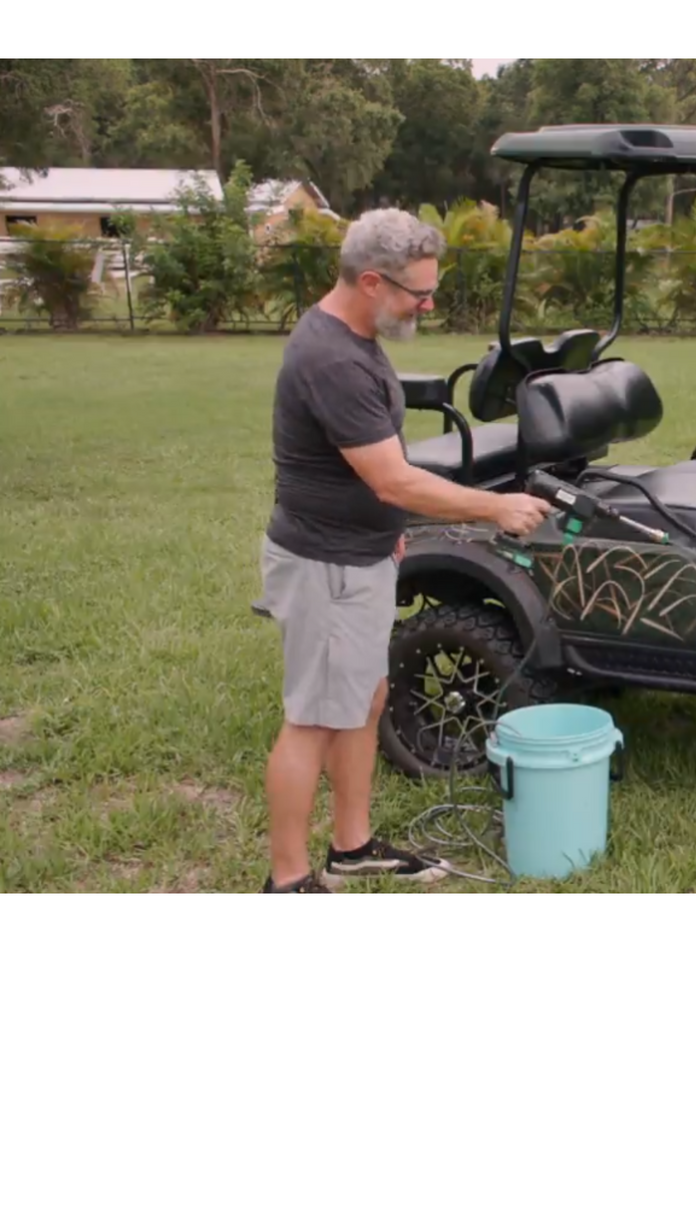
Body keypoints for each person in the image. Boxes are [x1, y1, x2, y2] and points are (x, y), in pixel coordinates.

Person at [257, 209, 551, 892]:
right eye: (417, 292)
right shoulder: (331, 358)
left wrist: (385, 533)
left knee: (365, 697)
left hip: (359, 553)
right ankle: (288, 881)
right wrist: (496, 506)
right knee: (312, 719)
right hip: (326, 564)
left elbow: (372, 471)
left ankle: (352, 847)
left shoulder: (355, 333)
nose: (428, 303)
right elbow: (391, 477)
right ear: (369, 282)